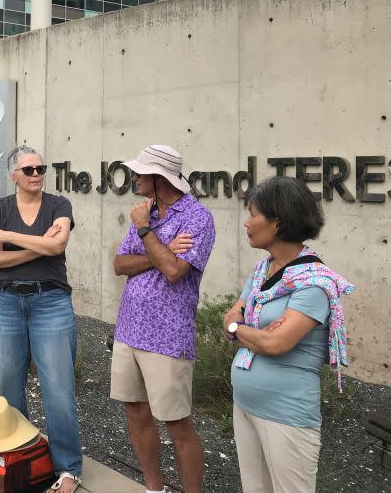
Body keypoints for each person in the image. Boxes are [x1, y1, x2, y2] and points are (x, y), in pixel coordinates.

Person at [224, 177, 354, 493]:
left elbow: (276, 343)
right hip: (245, 403)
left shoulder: (315, 283)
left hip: (286, 412)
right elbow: (231, 318)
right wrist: (241, 330)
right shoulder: (261, 271)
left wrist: (241, 331)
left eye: (253, 214)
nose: (246, 222)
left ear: (277, 223)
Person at [111, 145, 216, 493]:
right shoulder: (148, 211)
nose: (134, 178)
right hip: (129, 330)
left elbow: (174, 272)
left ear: (160, 177)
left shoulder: (197, 219)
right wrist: (163, 249)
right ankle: (153, 488)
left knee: (177, 424)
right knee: (135, 412)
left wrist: (144, 233)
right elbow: (119, 264)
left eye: (141, 172)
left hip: (167, 337)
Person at [0, 145, 81, 493]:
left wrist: (7, 237)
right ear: (13, 175)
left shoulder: (58, 204)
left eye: (40, 168)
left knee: (59, 389)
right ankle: (17, 457)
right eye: (29, 170)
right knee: (8, 387)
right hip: (6, 303)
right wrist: (38, 244)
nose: (36, 174)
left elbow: (57, 247)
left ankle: (67, 468)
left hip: (50, 300)